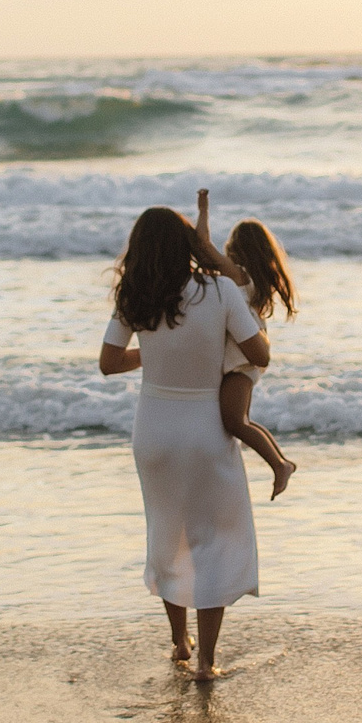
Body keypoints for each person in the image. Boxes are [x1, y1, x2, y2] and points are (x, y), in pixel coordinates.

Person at [100, 205, 271, 681]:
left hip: (153, 429)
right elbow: (260, 354)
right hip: (203, 429)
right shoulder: (218, 291)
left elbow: (109, 362)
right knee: (212, 542)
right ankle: (207, 661)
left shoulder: (134, 295)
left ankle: (179, 641)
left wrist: (154, 355)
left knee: (168, 535)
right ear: (187, 246)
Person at [195, 192, 297, 498]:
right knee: (241, 421)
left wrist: (203, 210)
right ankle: (280, 462)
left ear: (237, 248)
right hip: (246, 357)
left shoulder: (238, 276)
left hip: (242, 359)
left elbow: (203, 248)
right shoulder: (250, 280)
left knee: (234, 422)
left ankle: (280, 465)